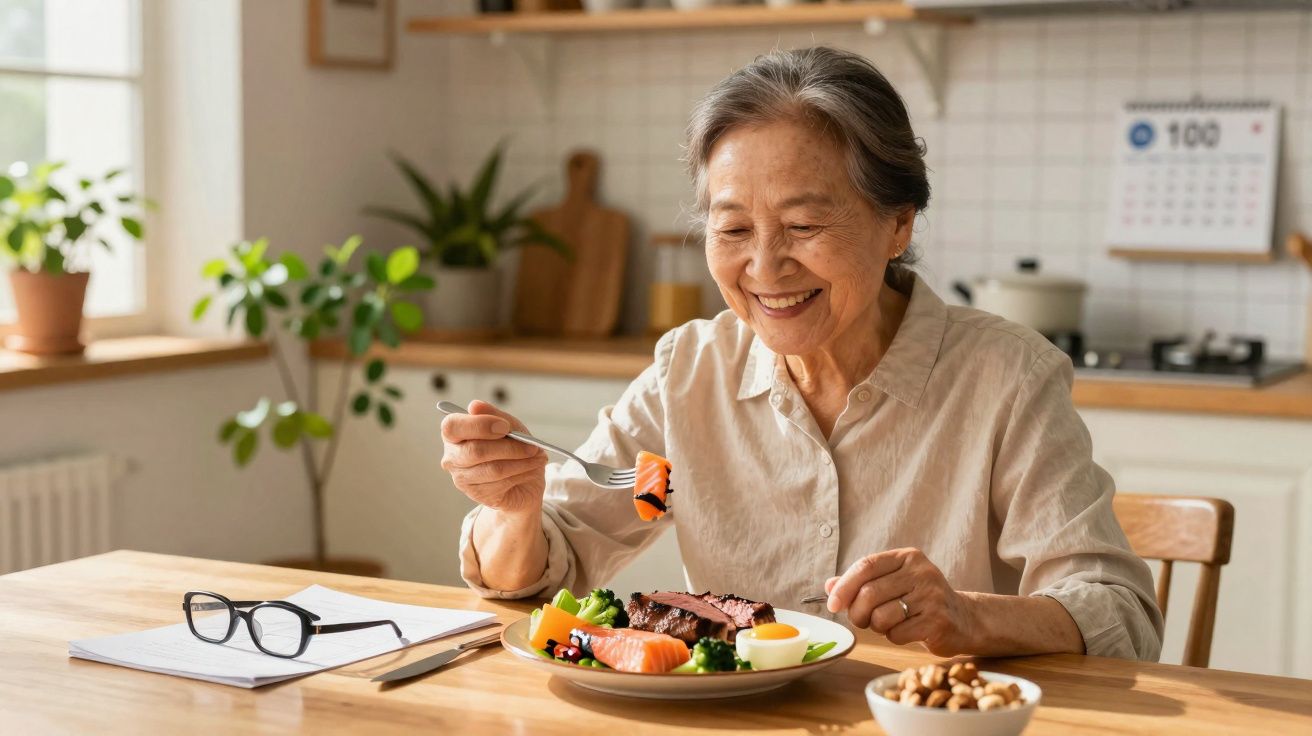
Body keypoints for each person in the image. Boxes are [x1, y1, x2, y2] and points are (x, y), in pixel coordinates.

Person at [442, 46, 1162, 660]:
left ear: (898, 224)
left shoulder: (1004, 381)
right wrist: (515, 513)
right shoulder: (690, 381)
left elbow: (1118, 614)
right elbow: (565, 556)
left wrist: (971, 616)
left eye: (804, 224)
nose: (765, 267)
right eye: (732, 231)